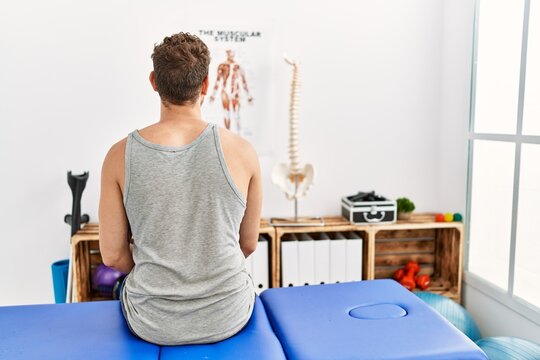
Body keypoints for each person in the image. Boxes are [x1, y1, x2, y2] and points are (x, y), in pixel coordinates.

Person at [98, 32, 262, 346]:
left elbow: (113, 256)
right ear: (206, 85)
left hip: (151, 320)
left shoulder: (118, 156)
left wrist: (155, 274)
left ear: (153, 81)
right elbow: (249, 243)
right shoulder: (243, 151)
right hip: (228, 314)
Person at [209, 49, 253, 133]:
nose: (230, 55)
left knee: (236, 115)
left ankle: (239, 136)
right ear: (227, 54)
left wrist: (248, 96)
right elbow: (218, 81)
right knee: (226, 114)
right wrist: (213, 95)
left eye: (232, 53)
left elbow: (244, 82)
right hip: (225, 92)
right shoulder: (222, 66)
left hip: (235, 92)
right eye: (229, 53)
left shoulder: (238, 66)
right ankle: (227, 136)